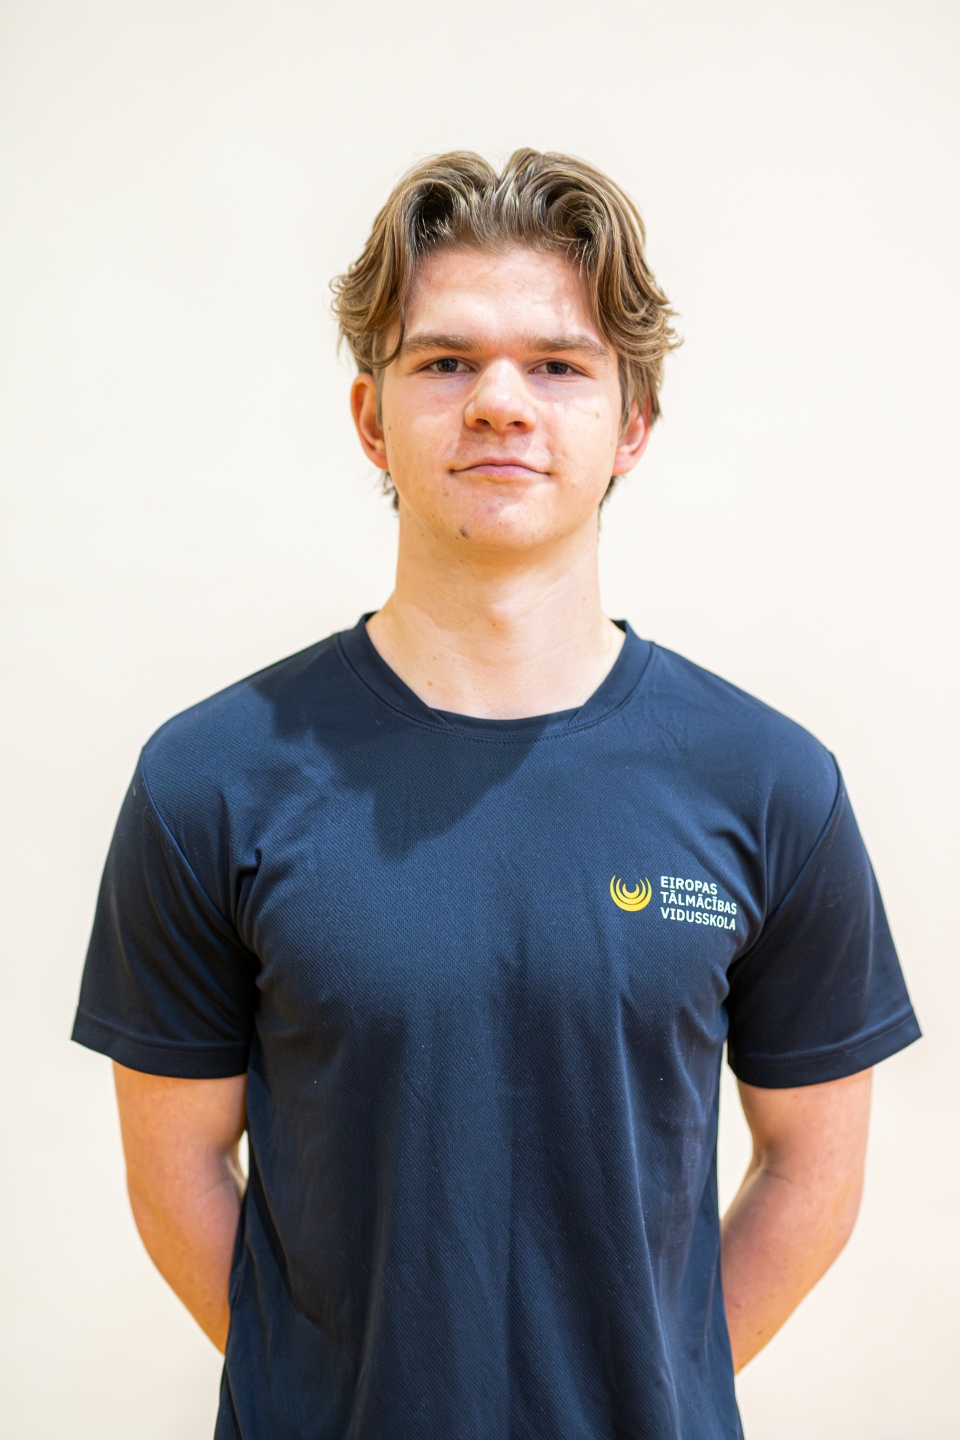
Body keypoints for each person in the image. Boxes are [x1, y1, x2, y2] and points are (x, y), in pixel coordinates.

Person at [71, 149, 921, 1440]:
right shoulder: (209, 782)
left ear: (632, 424)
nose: (501, 404)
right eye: (447, 362)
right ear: (372, 419)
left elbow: (814, 1171)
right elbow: (174, 1168)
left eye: (560, 365)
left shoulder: (770, 786)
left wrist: (646, 1386)